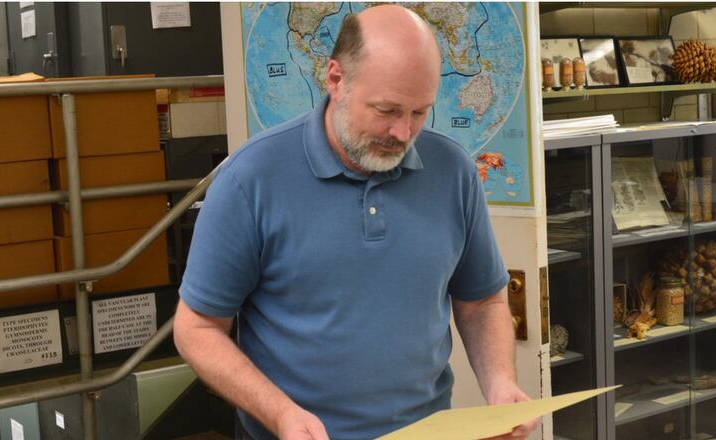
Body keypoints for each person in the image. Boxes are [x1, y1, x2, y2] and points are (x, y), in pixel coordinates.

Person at [173, 5, 538, 440]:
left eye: (419, 112)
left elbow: (483, 303)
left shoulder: (454, 171)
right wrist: (280, 413)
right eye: (386, 110)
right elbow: (196, 328)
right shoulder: (249, 179)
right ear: (335, 79)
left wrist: (499, 381)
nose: (403, 133)